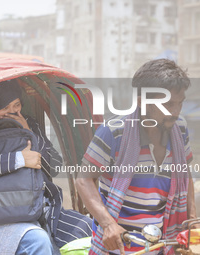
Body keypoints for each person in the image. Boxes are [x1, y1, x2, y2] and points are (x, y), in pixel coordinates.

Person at [0, 80, 92, 255]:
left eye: (16, 104)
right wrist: (19, 159)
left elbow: (53, 166)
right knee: (37, 241)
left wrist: (28, 132)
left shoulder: (29, 123)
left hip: (38, 209)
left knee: (88, 229)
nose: (12, 111)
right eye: (4, 107)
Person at [76, 59, 197, 255]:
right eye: (167, 104)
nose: (175, 112)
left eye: (179, 103)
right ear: (141, 100)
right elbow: (83, 180)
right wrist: (108, 225)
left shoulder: (179, 129)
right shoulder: (114, 132)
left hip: (163, 245)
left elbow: (185, 176)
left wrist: (191, 220)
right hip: (120, 246)